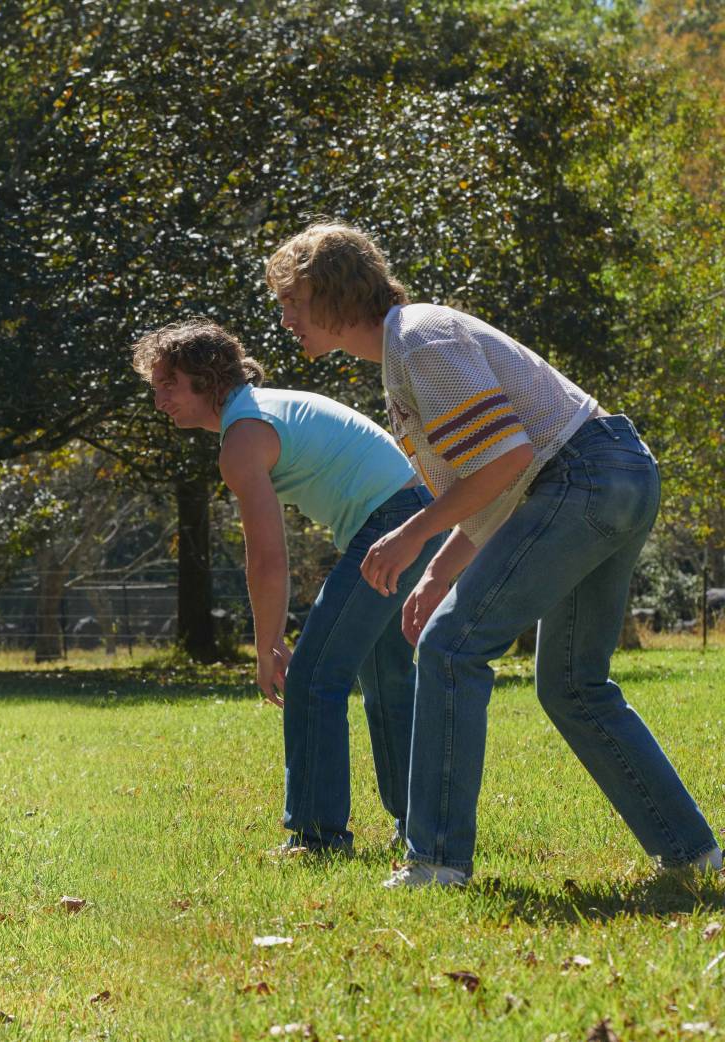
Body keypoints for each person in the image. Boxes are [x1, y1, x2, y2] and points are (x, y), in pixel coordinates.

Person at [265, 222, 722, 888]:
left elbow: (507, 461)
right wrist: (437, 578)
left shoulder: (419, 337)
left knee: (451, 648)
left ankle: (437, 861)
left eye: (291, 300)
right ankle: (695, 858)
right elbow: (492, 488)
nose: (284, 319)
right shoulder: (405, 352)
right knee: (572, 685)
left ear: (332, 294)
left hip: (583, 479)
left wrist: (412, 536)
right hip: (609, 477)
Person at [132, 321, 444, 854]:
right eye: (155, 386)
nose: (159, 400)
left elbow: (268, 560)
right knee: (386, 675)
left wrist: (269, 645)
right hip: (419, 514)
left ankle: (317, 837)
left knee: (313, 675)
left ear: (207, 380)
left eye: (170, 384)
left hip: (395, 522)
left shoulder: (244, 436)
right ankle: (420, 827)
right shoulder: (260, 410)